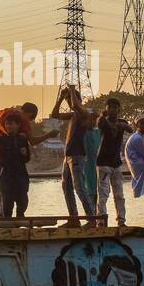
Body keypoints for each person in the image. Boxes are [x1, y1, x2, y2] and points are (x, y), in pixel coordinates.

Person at [0, 102, 56, 208]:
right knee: (4, 179)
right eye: (30, 119)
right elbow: (32, 141)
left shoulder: (7, 111)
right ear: (30, 114)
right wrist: (49, 135)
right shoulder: (23, 118)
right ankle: (4, 211)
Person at [51, 85, 96, 225]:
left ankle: (91, 218)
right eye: (68, 102)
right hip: (69, 156)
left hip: (77, 155)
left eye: (71, 100)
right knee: (66, 186)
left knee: (79, 188)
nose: (70, 104)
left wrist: (71, 90)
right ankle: (74, 218)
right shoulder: (73, 115)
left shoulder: (84, 114)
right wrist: (60, 99)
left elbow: (76, 105)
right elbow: (54, 115)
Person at [96, 98, 134, 226]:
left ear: (119, 109)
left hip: (116, 163)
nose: (112, 109)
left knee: (119, 195)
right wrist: (104, 116)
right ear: (106, 109)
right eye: (109, 107)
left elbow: (131, 130)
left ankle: (121, 221)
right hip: (103, 163)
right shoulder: (103, 122)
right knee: (103, 193)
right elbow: (102, 123)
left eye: (115, 107)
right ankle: (101, 221)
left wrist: (123, 125)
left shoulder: (122, 122)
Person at [0, 112, 31, 217]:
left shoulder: (22, 139)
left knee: (23, 203)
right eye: (7, 124)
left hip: (21, 175)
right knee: (7, 205)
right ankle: (8, 227)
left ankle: (20, 224)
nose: (9, 126)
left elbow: (27, 159)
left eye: (11, 124)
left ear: (18, 125)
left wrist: (24, 153)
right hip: (7, 176)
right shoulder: (2, 139)